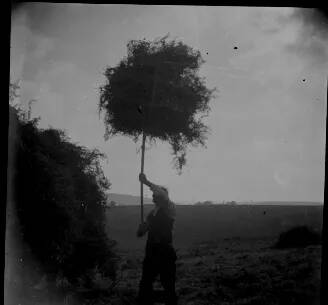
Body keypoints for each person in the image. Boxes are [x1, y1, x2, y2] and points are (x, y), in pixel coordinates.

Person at [137, 173, 177, 305]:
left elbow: (160, 192)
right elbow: (140, 233)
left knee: (168, 285)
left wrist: (146, 182)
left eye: (156, 194)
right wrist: (142, 228)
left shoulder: (170, 207)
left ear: (162, 197)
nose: (153, 196)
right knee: (145, 284)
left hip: (165, 251)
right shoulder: (151, 213)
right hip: (152, 252)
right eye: (154, 195)